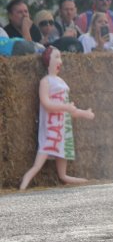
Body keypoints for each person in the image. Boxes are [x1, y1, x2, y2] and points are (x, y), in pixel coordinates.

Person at [19, 47, 96, 190]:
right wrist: (66, 107)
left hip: (62, 133)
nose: (60, 61)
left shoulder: (62, 82)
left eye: (60, 57)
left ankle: (88, 182)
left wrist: (84, 113)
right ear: (48, 60)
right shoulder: (45, 81)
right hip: (51, 132)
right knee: (36, 166)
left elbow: (70, 111)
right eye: (56, 57)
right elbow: (46, 104)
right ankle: (22, 188)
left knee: (63, 176)